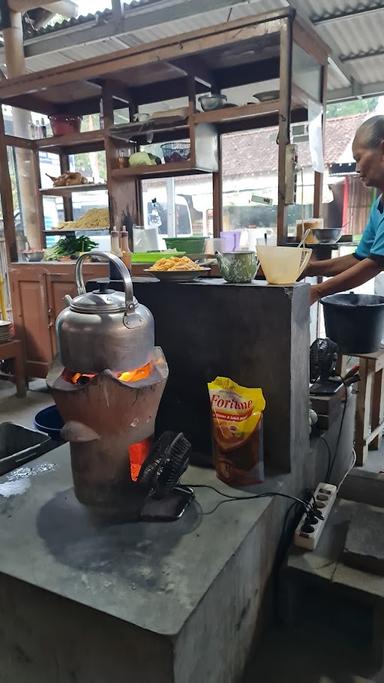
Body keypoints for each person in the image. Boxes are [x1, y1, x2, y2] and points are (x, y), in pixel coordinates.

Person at [307, 115, 384, 306]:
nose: (357, 168)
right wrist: (307, 269)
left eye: (359, 158)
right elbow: (360, 258)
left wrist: (317, 291)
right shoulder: (379, 205)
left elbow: (374, 264)